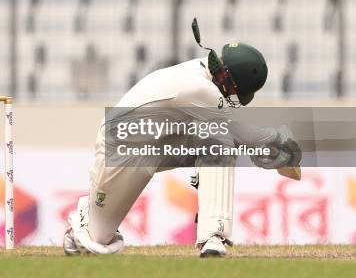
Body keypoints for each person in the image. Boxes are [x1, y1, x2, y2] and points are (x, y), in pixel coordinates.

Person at [63, 19, 301, 257]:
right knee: (97, 242)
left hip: (155, 143)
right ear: (227, 79)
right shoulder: (201, 89)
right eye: (236, 91)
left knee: (219, 143)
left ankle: (213, 237)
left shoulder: (204, 71)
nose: (234, 97)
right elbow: (241, 130)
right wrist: (279, 140)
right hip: (120, 150)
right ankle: (87, 214)